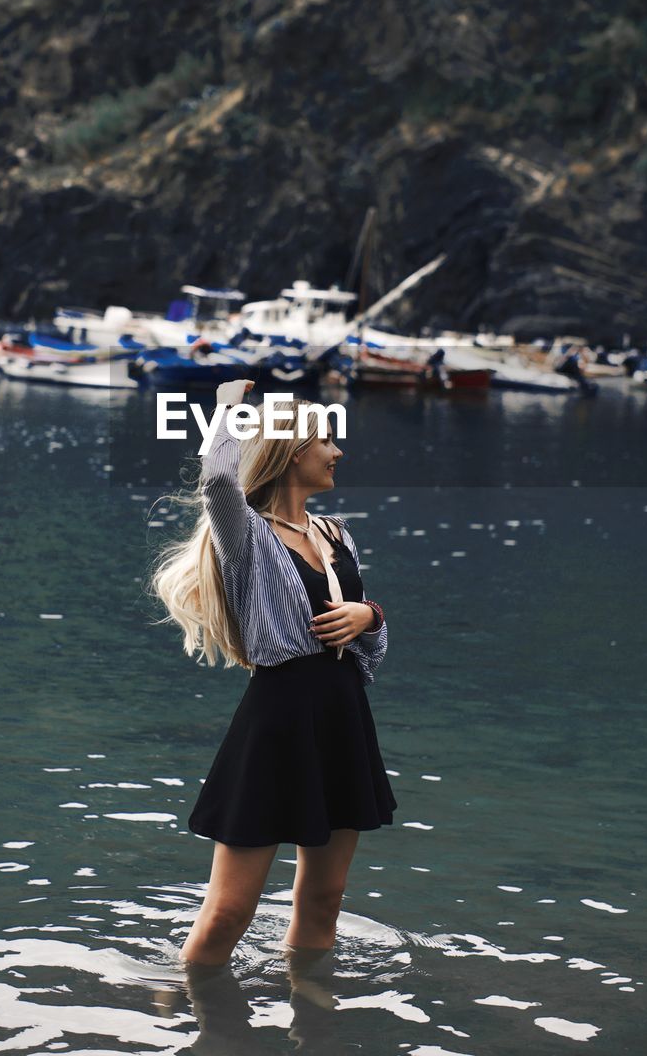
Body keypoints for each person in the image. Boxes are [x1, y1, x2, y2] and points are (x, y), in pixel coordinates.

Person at [149, 379, 397, 967]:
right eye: (325, 441)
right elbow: (216, 483)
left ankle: (311, 1010)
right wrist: (230, 411)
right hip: (278, 721)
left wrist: (370, 615)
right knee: (232, 908)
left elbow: (370, 649)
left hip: (341, 715)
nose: (337, 452)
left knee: (326, 896)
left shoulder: (336, 533)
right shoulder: (249, 537)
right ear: (289, 451)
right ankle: (182, 1002)